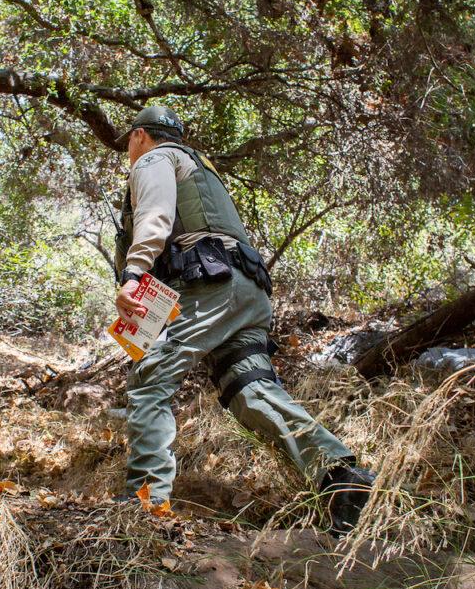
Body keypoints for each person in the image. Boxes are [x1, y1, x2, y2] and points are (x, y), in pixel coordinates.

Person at [113, 105, 374, 535]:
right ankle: (344, 481)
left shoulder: (156, 159)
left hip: (208, 285)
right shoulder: (203, 169)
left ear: (139, 136)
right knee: (250, 391)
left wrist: (134, 272)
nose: (129, 151)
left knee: (150, 378)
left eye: (129, 143)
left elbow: (155, 217)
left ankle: (143, 508)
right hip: (246, 290)